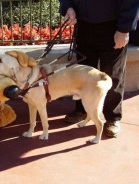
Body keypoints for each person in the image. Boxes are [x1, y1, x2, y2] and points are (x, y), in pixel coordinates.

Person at [58, 0, 139, 138]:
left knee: (113, 73)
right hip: (83, 25)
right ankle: (82, 110)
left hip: (112, 25)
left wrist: (124, 29)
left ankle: (112, 118)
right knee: (83, 74)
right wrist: (68, 7)